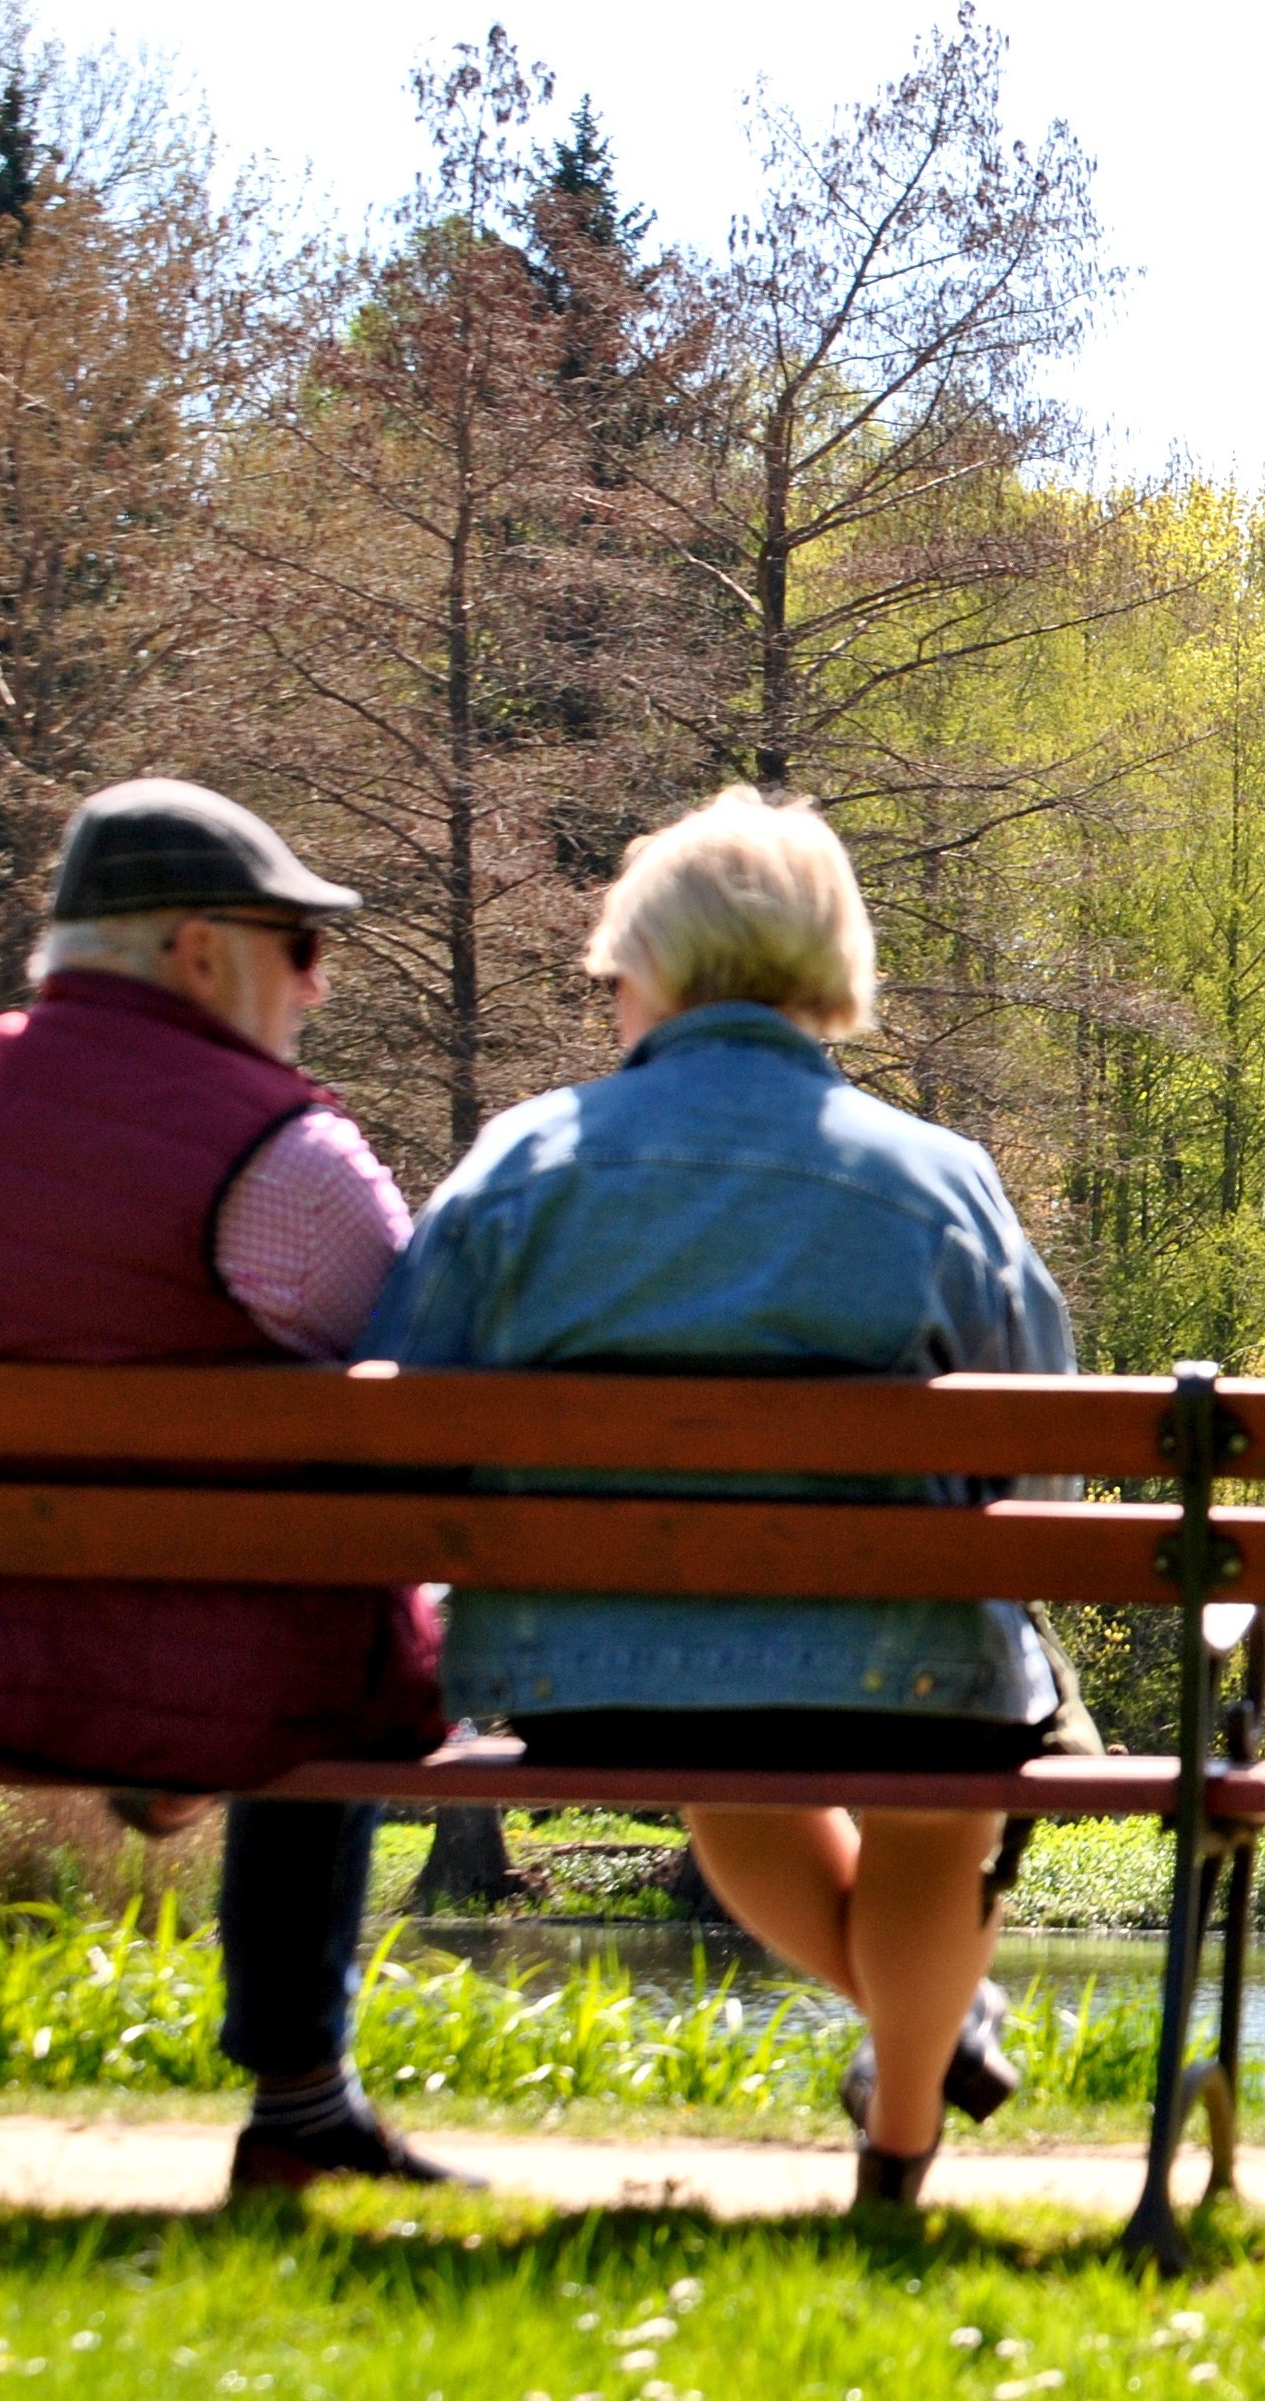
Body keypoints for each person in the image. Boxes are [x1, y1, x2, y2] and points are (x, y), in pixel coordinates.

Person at [362, 787, 1076, 2209]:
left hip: (594, 1678)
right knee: (943, 1790)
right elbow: (1035, 1469)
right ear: (830, 965)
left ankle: (917, 2043)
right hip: (906, 1673)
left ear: (649, 969)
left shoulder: (517, 1163)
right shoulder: (940, 1181)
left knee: (731, 1765)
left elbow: (400, 1413)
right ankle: (902, 2130)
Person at [0, 779, 462, 2190]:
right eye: (304, 947)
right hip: (215, 1683)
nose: (317, 988)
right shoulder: (288, 1158)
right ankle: (302, 2100)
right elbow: (422, 1404)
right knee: (344, 1612)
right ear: (202, 951)